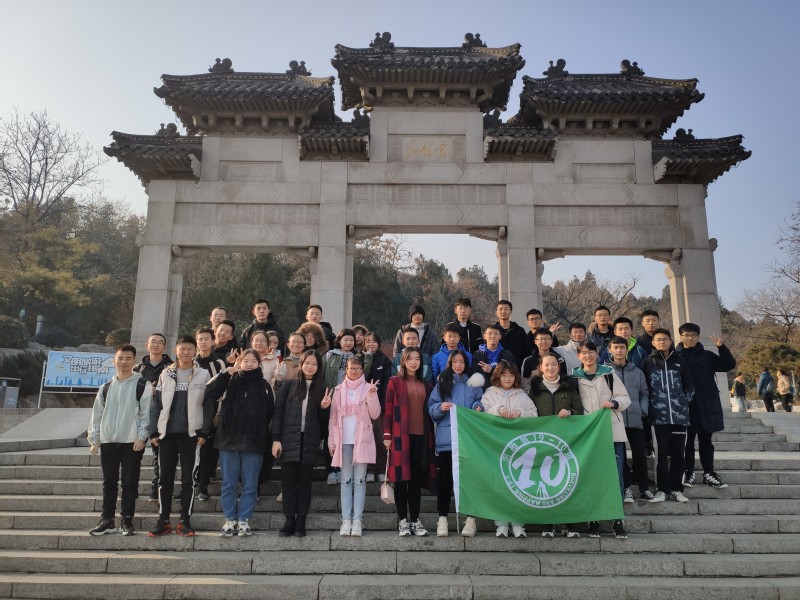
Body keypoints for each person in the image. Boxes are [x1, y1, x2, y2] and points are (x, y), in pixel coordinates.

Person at [148, 336, 214, 537]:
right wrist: (153, 431)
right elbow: (157, 404)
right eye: (182, 349)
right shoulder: (166, 374)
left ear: (195, 351)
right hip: (167, 435)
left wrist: (205, 431)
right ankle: (163, 520)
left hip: (191, 435)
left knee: (188, 480)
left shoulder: (204, 374)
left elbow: (209, 404)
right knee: (164, 479)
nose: (186, 352)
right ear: (176, 350)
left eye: (189, 349)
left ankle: (185, 520)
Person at [206, 349, 275, 537]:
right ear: (240, 362)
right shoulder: (230, 380)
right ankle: (230, 519)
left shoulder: (265, 385)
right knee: (229, 483)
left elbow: (270, 412)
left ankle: (244, 519)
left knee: (250, 484)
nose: (249, 364)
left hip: (253, 441)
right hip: (228, 440)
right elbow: (209, 392)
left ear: (259, 364)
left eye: (253, 361)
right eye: (246, 361)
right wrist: (227, 372)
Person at [88, 344, 152, 536]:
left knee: (129, 482)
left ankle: (127, 520)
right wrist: (95, 439)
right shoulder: (106, 387)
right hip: (108, 440)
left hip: (132, 441)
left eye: (128, 358)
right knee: (109, 482)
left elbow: (146, 414)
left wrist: (141, 437)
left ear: (134, 361)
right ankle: (107, 520)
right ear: (114, 360)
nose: (124, 362)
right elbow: (96, 415)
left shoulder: (143, 385)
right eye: (120, 358)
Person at [573, 340, 631, 539]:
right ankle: (594, 518)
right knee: (591, 477)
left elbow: (625, 398)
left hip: (611, 433)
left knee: (615, 477)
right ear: (578, 356)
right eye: (583, 353)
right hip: (588, 437)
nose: (587, 356)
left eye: (591, 352)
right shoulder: (574, 377)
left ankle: (617, 519)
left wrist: (614, 403)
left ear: (597, 354)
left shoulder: (608, 373)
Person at [271, 350, 332, 537]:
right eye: (307, 363)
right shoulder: (289, 386)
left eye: (314, 364)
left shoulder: (322, 389)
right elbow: (278, 413)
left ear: (319, 367)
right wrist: (276, 439)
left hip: (309, 441)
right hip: (288, 440)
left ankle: (301, 521)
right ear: (301, 364)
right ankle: (289, 520)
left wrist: (324, 408)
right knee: (288, 483)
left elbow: (324, 423)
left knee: (305, 484)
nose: (310, 367)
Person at [428, 350, 485, 537]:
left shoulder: (474, 383)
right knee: (445, 480)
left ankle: (471, 519)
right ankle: (442, 518)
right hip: (447, 439)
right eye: (455, 362)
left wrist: (477, 407)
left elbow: (480, 403)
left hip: (468, 439)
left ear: (466, 364)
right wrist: (440, 407)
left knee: (469, 480)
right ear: (450, 363)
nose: (458, 365)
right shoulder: (442, 383)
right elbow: (431, 407)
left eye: (461, 362)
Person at [527, 354, 584, 538]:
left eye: (554, 364)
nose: (550, 368)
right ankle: (548, 522)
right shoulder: (534, 388)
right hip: (543, 442)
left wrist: (570, 411)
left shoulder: (569, 386)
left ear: (559, 367)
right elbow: (529, 413)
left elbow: (579, 410)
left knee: (567, 481)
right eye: (547, 365)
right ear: (541, 368)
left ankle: (569, 522)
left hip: (567, 442)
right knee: (545, 483)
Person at [383, 347, 437, 537]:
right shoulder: (394, 382)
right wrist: (387, 435)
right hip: (400, 436)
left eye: (417, 359)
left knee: (415, 481)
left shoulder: (427, 384)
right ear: (403, 361)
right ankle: (402, 521)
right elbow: (388, 410)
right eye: (410, 359)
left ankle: (415, 520)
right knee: (400, 480)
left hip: (422, 437)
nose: (414, 362)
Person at [676, 323, 736, 489]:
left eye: (693, 335)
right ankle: (688, 472)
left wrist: (721, 347)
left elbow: (728, 365)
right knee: (687, 442)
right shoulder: (675, 356)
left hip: (706, 405)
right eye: (686, 335)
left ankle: (709, 473)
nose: (690, 338)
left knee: (706, 441)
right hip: (685, 406)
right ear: (681, 336)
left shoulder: (707, 356)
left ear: (698, 336)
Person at [481, 362, 537, 538]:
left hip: (518, 447)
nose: (507, 379)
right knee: (499, 485)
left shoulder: (522, 395)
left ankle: (518, 523)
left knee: (518, 484)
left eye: (511, 376)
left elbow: (534, 414)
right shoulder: (489, 394)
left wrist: (520, 412)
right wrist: (499, 410)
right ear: (498, 376)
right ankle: (501, 524)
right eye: (503, 375)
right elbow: (481, 414)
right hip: (496, 446)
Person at [329, 356, 382, 537]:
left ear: (362, 370)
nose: (354, 371)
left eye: (357, 368)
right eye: (351, 368)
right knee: (345, 480)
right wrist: (331, 441)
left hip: (362, 439)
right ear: (346, 370)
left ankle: (357, 520)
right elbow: (333, 418)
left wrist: (372, 395)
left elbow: (375, 414)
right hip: (343, 440)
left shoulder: (368, 388)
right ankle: (346, 520)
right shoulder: (338, 390)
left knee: (360, 480)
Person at [644, 329, 694, 504]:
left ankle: (677, 489)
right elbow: (644, 389)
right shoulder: (648, 362)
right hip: (658, 417)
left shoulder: (680, 361)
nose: (662, 342)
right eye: (658, 339)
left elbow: (689, 387)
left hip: (679, 417)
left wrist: (682, 403)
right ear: (653, 342)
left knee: (679, 455)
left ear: (671, 341)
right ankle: (662, 489)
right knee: (661, 455)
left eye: (665, 339)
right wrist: (651, 407)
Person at [607, 336, 653, 502]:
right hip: (615, 420)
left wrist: (642, 409)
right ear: (610, 350)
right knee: (620, 457)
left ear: (627, 350)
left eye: (622, 347)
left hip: (635, 419)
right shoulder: (605, 372)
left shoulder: (637, 371)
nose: (619, 350)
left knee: (639, 454)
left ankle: (644, 488)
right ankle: (626, 488)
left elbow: (644, 393)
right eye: (615, 347)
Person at [134, 333, 173, 503]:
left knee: (160, 457)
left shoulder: (171, 367)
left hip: (162, 416)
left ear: (165, 346)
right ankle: (131, 489)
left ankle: (155, 490)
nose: (156, 345)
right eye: (153, 342)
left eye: (160, 342)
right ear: (147, 345)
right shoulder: (138, 369)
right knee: (134, 456)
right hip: (139, 416)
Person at [194, 327, 227, 502]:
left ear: (213, 341)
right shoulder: (191, 362)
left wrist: (218, 413)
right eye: (200, 339)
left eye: (207, 339)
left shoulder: (219, 363)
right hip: (193, 410)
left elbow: (223, 389)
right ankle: (192, 484)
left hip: (213, 410)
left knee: (208, 450)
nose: (203, 342)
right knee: (193, 450)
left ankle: (203, 485)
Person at [364, 332, 392, 483]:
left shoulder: (384, 360)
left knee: (380, 438)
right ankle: (369, 470)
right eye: (368, 341)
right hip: (363, 406)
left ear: (379, 343)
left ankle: (380, 469)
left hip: (379, 405)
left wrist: (384, 402)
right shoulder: (360, 358)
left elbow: (387, 381)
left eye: (374, 341)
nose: (371, 344)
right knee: (367, 438)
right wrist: (367, 359)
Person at [473, 324, 516, 390]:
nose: (493, 336)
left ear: (500, 336)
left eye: (496, 334)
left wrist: (492, 370)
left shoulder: (507, 355)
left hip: (502, 391)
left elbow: (512, 373)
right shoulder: (477, 355)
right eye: (490, 334)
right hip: (483, 392)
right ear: (484, 336)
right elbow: (473, 374)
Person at [493, 300, 528, 366]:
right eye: (500, 309)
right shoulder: (492, 331)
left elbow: (526, 351)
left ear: (511, 311)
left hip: (516, 367)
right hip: (496, 368)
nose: (503, 311)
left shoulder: (519, 330)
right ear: (496, 312)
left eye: (506, 309)